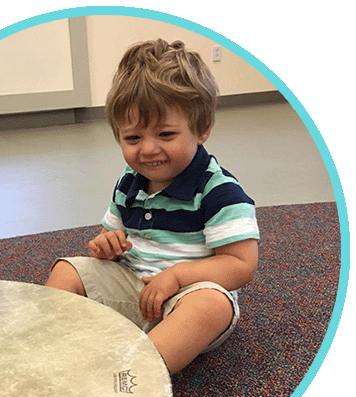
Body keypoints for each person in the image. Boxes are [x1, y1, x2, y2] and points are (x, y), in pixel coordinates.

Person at [46, 39, 260, 374]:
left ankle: (130, 374)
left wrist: (176, 277)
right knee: (67, 270)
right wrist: (106, 246)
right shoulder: (129, 181)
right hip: (134, 286)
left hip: (186, 297)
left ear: (202, 129)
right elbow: (112, 236)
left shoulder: (220, 192)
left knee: (212, 306)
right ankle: (48, 345)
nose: (147, 150)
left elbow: (241, 265)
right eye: (133, 138)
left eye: (165, 134)